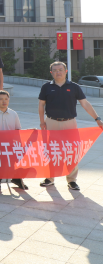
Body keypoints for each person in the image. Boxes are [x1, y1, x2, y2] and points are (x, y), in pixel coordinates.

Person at [38, 61, 102, 191]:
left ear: (66, 71)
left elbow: (85, 104)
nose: (58, 72)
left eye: (60, 69)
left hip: (70, 123)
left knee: (72, 151)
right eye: (55, 70)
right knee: (50, 150)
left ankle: (72, 180)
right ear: (51, 73)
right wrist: (42, 122)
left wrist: (97, 119)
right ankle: (49, 178)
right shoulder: (46, 87)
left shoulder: (74, 87)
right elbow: (41, 105)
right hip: (51, 122)